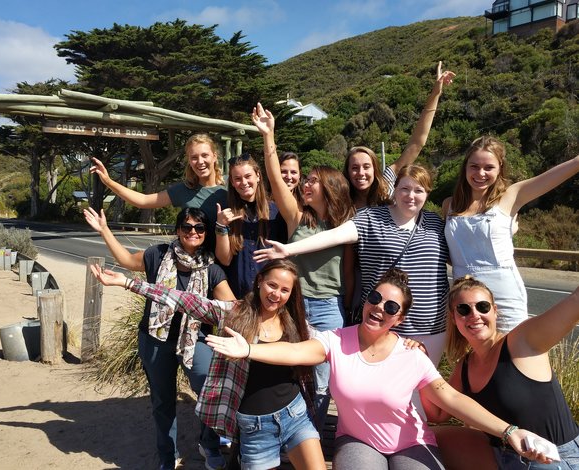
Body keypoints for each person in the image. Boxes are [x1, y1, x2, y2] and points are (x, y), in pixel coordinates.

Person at [207, 269, 554, 470]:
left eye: (391, 307)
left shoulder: (410, 354)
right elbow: (296, 351)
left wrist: (509, 432)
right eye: (375, 298)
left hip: (412, 442)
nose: (379, 308)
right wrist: (250, 349)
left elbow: (451, 400)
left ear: (399, 319)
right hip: (358, 441)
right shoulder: (335, 341)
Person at [91, 259, 326, 470]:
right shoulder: (235, 313)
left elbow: (326, 346)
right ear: (259, 281)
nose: (276, 294)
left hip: (294, 415)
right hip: (255, 427)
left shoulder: (295, 322)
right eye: (272, 285)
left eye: (285, 290)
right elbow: (184, 300)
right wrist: (128, 283)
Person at [84, 206, 234, 470]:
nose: (193, 232)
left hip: (195, 340)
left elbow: (230, 305)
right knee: (163, 401)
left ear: (205, 233)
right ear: (178, 230)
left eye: (199, 228)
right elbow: (127, 261)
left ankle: (209, 444)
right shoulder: (158, 255)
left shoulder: (211, 267)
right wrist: (104, 230)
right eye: (187, 227)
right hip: (155, 339)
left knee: (210, 394)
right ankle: (168, 456)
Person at [254, 165, 449, 366]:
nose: (411, 196)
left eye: (419, 190)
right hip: (381, 321)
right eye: (404, 189)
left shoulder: (435, 223)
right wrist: (290, 249)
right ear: (395, 190)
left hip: (430, 326)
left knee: (424, 390)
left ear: (427, 193)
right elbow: (334, 235)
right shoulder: (371, 218)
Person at [253, 102, 356, 429]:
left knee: (323, 380)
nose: (305, 184)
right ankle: (287, 432)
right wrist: (269, 136)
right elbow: (275, 177)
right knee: (289, 372)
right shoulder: (297, 217)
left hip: (328, 308)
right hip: (292, 305)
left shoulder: (347, 224)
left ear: (329, 185)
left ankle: (309, 433)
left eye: (312, 180)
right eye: (306, 179)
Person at [426, 275, 579, 470]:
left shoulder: (521, 342)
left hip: (554, 458)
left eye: (482, 307)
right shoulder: (465, 366)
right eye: (463, 310)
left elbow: (575, 302)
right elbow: (438, 413)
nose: (474, 315)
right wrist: (418, 360)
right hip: (503, 455)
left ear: (495, 311)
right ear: (454, 318)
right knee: (426, 437)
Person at [442, 137, 579, 332]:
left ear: (500, 169)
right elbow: (451, 252)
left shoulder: (511, 196)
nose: (480, 173)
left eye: (488, 167)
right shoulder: (449, 205)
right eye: (474, 166)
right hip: (464, 297)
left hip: (503, 293)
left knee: (512, 352)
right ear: (465, 168)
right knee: (470, 357)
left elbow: (552, 177)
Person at [345, 61, 455, 210]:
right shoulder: (341, 199)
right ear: (347, 171)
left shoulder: (385, 185)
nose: (361, 173)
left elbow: (417, 143)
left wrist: (435, 94)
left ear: (374, 169)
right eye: (354, 168)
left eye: (366, 166)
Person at [90, 133, 227, 235]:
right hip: (195, 263)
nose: (200, 162)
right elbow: (143, 201)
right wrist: (108, 181)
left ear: (214, 156)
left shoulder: (231, 187)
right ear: (189, 161)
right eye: (194, 157)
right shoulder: (184, 189)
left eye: (204, 155)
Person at [214, 153, 288, 298]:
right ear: (233, 184)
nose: (244, 182)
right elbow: (225, 259)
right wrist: (221, 226)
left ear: (258, 176)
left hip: (271, 297)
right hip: (238, 297)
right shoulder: (227, 213)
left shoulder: (276, 211)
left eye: (248, 176)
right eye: (237, 179)